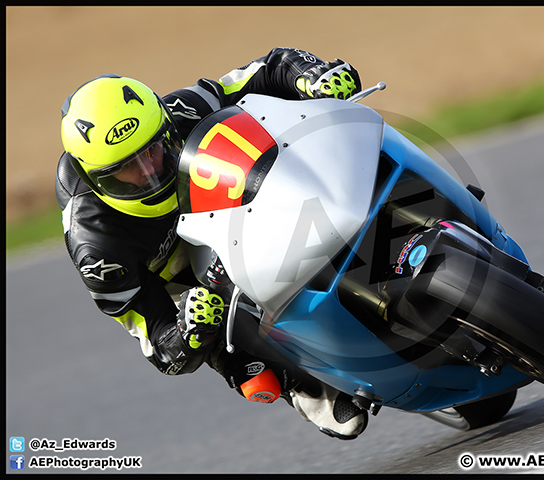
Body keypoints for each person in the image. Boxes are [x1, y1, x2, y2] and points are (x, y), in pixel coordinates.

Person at [55, 47, 368, 440]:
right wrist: (187, 331)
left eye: (153, 150)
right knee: (239, 354)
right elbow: (160, 347)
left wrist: (312, 75)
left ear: (164, 125)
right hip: (186, 277)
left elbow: (267, 69)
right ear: (99, 181)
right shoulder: (95, 244)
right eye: (127, 170)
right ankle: (303, 383)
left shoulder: (180, 110)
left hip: (242, 208)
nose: (150, 171)